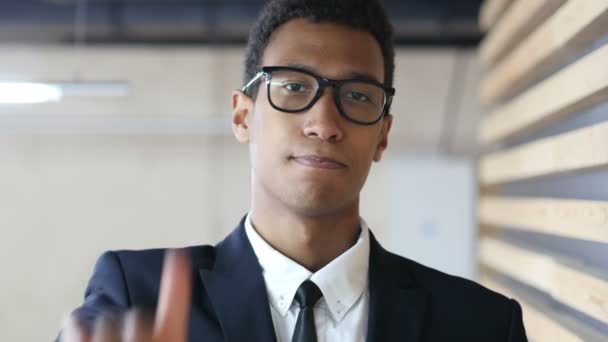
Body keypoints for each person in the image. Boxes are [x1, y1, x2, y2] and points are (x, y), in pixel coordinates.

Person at [59, 0, 528, 341]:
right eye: (293, 86)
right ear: (244, 116)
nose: (324, 123)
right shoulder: (137, 294)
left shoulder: (480, 325)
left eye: (358, 96)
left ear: (382, 135)